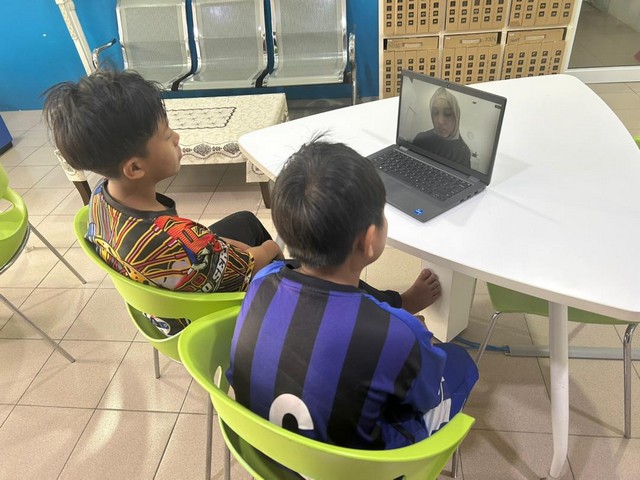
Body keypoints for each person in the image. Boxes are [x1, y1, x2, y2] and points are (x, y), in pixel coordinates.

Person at [227, 140, 478, 450]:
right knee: (460, 363)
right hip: (357, 467)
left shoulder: (261, 281)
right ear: (369, 240)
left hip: (263, 449)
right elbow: (424, 398)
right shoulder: (399, 332)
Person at [43, 70, 283, 336]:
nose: (177, 137)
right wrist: (269, 248)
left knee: (244, 221)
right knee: (275, 259)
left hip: (156, 303)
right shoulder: (177, 242)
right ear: (135, 168)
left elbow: (204, 249)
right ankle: (285, 312)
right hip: (200, 321)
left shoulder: (100, 196)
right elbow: (246, 266)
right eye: (167, 136)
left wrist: (218, 247)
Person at [413, 87, 471, 168]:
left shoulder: (463, 153)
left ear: (456, 116)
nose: (440, 121)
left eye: (447, 113)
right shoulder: (421, 139)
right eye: (435, 112)